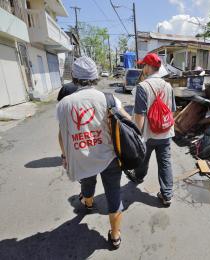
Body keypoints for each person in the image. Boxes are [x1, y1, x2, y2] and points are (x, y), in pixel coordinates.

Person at [56, 56, 130, 249]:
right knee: (114, 194)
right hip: (110, 157)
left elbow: (61, 136)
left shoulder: (64, 104)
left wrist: (65, 156)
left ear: (74, 76)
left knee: (87, 182)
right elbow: (128, 122)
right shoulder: (109, 99)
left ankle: (88, 203)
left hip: (82, 157)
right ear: (95, 77)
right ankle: (115, 236)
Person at [125, 53, 176, 207]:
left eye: (143, 65)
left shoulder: (143, 87)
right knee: (165, 163)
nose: (142, 68)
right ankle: (167, 195)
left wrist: (136, 136)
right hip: (166, 133)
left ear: (148, 67)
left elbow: (139, 115)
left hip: (148, 134)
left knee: (143, 158)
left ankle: (139, 177)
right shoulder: (168, 86)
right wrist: (164, 125)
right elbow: (172, 110)